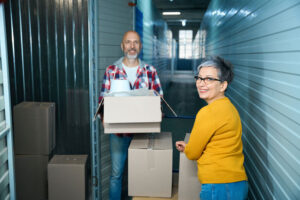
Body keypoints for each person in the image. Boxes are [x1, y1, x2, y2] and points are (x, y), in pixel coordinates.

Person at [99, 30, 163, 200]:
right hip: (118, 133)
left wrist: (157, 112)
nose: (132, 46)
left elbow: (159, 98)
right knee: (116, 175)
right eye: (128, 42)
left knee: (142, 174)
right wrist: (104, 118)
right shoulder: (111, 71)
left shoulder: (150, 70)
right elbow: (103, 100)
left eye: (135, 42)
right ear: (122, 46)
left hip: (143, 132)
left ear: (140, 46)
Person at [175, 56, 248, 200]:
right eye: (199, 78)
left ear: (223, 85)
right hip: (235, 183)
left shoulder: (208, 113)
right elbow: (220, 143)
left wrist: (189, 149)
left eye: (209, 79)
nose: (201, 84)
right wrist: (189, 147)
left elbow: (193, 153)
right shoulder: (229, 107)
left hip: (219, 184)